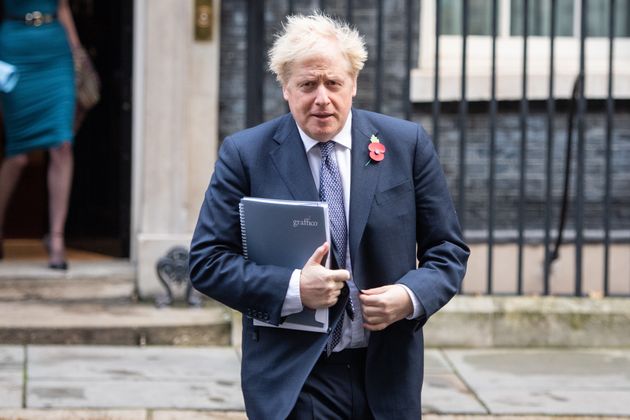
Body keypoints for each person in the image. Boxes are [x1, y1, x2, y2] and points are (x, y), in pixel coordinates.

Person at [189, 13, 469, 419]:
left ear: (353, 84)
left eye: (333, 83)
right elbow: (207, 261)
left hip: (386, 374)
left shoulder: (405, 145)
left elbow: (447, 250)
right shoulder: (245, 155)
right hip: (296, 378)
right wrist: (293, 288)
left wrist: (407, 298)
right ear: (285, 88)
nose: (322, 97)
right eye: (307, 84)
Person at [0, 0, 81, 269]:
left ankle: (56, 238)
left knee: (62, 145)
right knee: (18, 153)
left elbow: (62, 6)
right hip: (14, 50)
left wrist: (76, 50)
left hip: (55, 52)